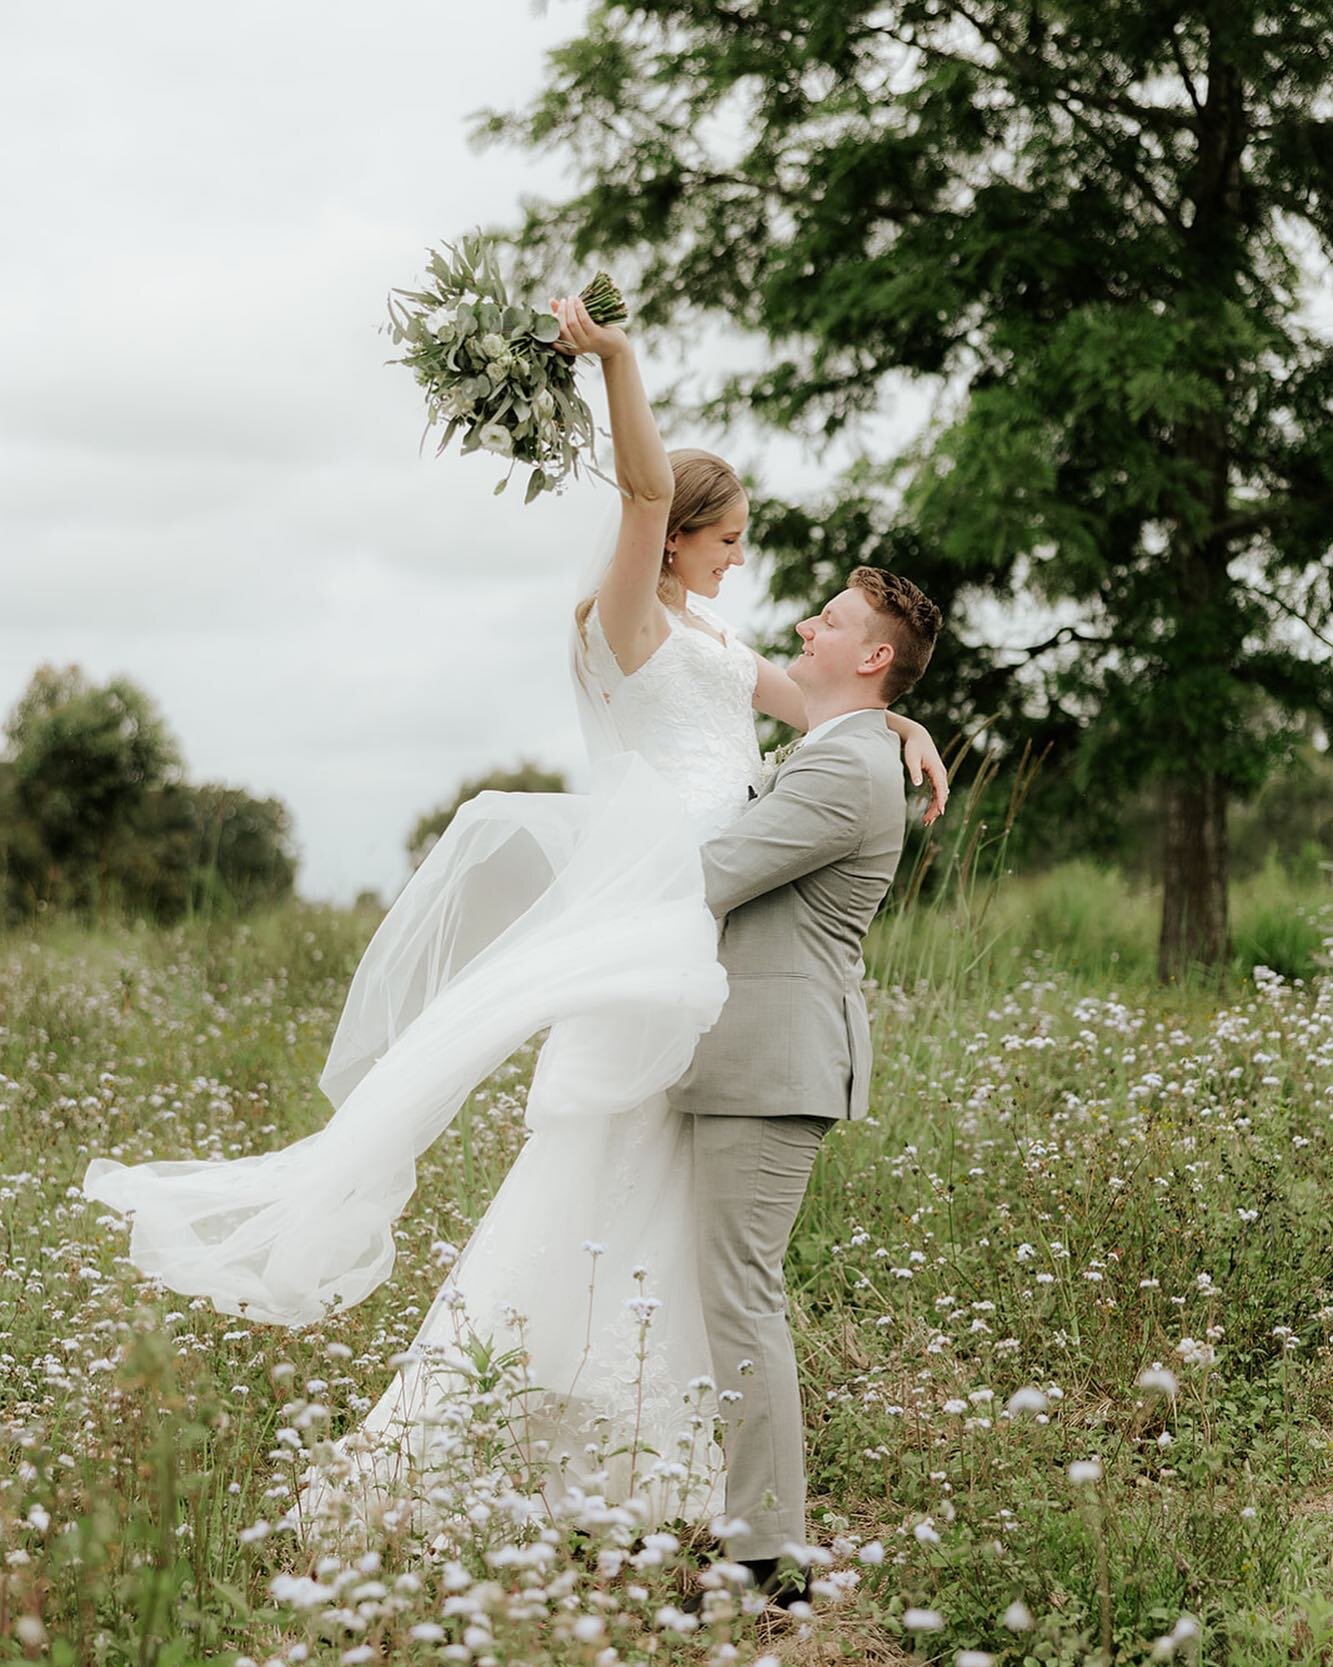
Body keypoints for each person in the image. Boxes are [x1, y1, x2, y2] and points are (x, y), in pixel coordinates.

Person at [81, 293, 946, 1555]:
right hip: (661, 919)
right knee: (599, 1183)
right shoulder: (630, 623)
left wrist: (902, 723)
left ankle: (645, 1469)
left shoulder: (707, 637)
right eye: (732, 537)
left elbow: (831, 713)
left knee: (645, 1204)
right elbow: (643, 497)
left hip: (701, 961)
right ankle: (526, 1455)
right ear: (677, 537)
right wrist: (618, 364)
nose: (742, 559)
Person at [671, 566, 941, 1609]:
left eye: (827, 619)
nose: (803, 623)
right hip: (740, 1054)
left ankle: (763, 1560)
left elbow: (707, 874)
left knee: (743, 1296)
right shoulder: (843, 747)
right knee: (726, 1292)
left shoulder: (843, 774)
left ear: (871, 656)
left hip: (771, 1061)